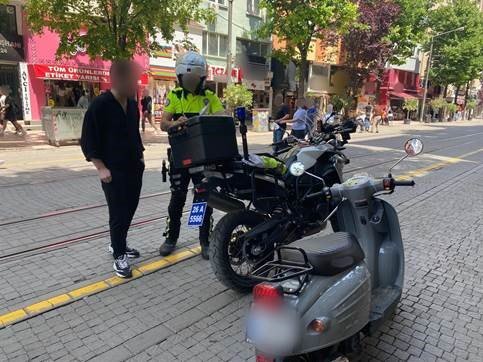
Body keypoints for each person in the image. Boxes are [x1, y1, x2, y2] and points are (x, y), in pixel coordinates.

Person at [80, 60, 144, 278]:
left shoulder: (133, 104)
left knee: (130, 209)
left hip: (134, 167)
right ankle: (119, 256)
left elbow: (134, 134)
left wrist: (141, 157)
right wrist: (100, 168)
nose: (134, 83)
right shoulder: (100, 105)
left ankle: (120, 243)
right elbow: (88, 139)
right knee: (118, 213)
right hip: (112, 171)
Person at [159, 51, 225, 260]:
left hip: (202, 157)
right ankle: (171, 238)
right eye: (186, 79)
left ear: (202, 79)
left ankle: (204, 241)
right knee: (177, 199)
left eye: (194, 79)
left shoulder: (210, 97)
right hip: (179, 157)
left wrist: (215, 118)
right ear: (180, 78)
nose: (190, 82)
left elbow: (223, 118)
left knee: (202, 200)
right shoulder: (175, 96)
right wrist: (174, 124)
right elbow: (163, 123)